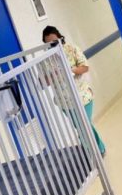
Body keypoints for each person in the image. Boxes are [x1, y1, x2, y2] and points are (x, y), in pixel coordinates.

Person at [42, 26, 106, 155]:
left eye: (54, 41)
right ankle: (96, 150)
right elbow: (43, 82)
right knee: (81, 127)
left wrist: (71, 70)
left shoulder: (72, 49)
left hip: (82, 96)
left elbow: (85, 67)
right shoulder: (46, 59)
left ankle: (94, 152)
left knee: (85, 125)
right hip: (64, 101)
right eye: (49, 43)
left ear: (60, 37)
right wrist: (52, 76)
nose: (53, 45)